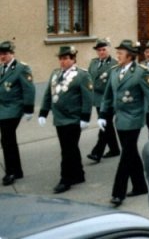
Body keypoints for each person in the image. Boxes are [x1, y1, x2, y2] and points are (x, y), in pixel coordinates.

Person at [99, 40, 149, 207]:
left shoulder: (140, 72)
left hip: (134, 118)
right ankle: (140, 186)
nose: (117, 55)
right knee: (131, 152)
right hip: (119, 118)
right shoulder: (114, 71)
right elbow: (107, 96)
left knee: (126, 155)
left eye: (120, 53)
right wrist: (103, 114)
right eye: (117, 53)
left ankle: (118, 193)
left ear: (130, 55)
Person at [38, 46, 93, 193]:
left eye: (66, 58)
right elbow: (48, 94)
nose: (62, 61)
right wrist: (43, 112)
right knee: (70, 148)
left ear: (73, 59)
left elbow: (87, 97)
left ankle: (65, 179)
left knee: (67, 150)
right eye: (60, 59)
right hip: (59, 118)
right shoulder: (55, 74)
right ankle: (79, 174)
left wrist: (85, 117)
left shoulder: (82, 75)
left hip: (73, 118)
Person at [0, 41, 35, 186]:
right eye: (1, 54)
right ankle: (17, 170)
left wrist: (28, 109)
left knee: (7, 139)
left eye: (5, 54)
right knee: (9, 139)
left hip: (14, 108)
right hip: (2, 109)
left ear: (12, 54)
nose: (2, 57)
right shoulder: (1, 68)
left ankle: (11, 172)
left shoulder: (21, 68)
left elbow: (29, 89)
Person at [87, 38, 120, 163]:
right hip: (97, 98)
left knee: (105, 124)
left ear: (108, 49)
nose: (101, 52)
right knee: (108, 124)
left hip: (109, 99)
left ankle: (97, 152)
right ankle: (115, 149)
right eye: (99, 50)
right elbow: (89, 79)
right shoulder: (93, 63)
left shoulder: (114, 64)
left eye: (104, 49)